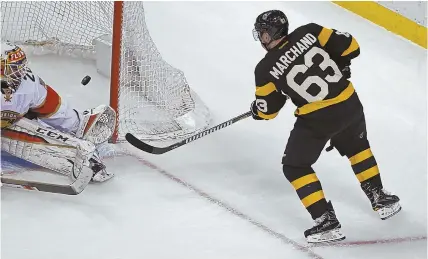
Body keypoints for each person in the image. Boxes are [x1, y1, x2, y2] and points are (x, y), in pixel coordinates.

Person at [250, 10, 401, 243]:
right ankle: (380, 197)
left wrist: (257, 110)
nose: (262, 39)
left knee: (295, 166)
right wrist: (341, 64)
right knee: (357, 147)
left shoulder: (264, 68)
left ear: (273, 33)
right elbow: (352, 46)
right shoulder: (311, 31)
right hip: (349, 104)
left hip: (318, 118)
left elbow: (268, 111)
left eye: (264, 34)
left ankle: (325, 221)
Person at [1, 42, 115, 183]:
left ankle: (80, 147)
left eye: (21, 67)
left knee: (35, 128)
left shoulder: (28, 83)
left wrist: (76, 123)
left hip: (12, 120)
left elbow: (51, 107)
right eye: (14, 69)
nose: (21, 72)